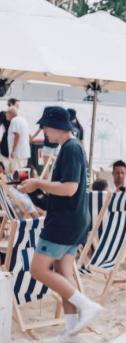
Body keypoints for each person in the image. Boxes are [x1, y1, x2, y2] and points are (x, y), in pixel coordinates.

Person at [18, 106, 101, 337]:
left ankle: (87, 305)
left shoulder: (71, 148)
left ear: (55, 126)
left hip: (64, 222)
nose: (43, 131)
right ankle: (71, 331)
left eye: (45, 126)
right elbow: (64, 192)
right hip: (75, 220)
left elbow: (69, 189)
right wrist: (34, 191)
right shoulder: (72, 148)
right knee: (63, 273)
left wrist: (38, 182)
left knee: (38, 269)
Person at [6, 102, 30, 172]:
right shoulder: (23, 120)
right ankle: (22, 183)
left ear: (11, 113)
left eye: (7, 113)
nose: (6, 115)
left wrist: (13, 151)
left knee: (16, 173)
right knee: (23, 172)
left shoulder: (14, 120)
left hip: (17, 153)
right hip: (24, 152)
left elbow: (17, 135)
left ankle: (18, 183)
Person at [0, 98, 18, 165]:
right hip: (7, 141)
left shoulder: (18, 117)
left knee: (16, 164)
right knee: (6, 162)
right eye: (17, 105)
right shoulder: (3, 114)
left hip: (16, 142)